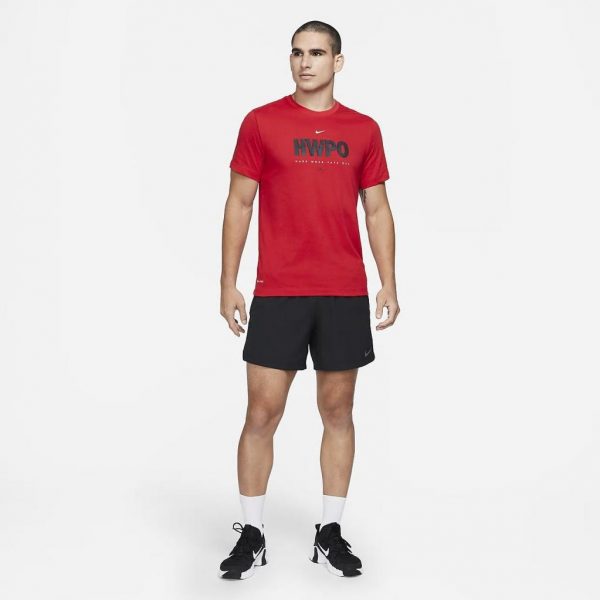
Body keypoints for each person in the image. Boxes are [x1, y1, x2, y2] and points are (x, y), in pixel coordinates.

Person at [218, 20, 400, 580]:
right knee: (261, 413)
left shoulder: (363, 129)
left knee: (338, 412)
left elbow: (376, 209)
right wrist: (228, 281)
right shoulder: (261, 122)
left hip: (343, 291)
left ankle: (330, 532)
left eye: (317, 53)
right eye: (297, 53)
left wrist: (388, 280)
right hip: (279, 291)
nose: (305, 62)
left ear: (337, 62)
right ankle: (252, 533)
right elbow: (239, 202)